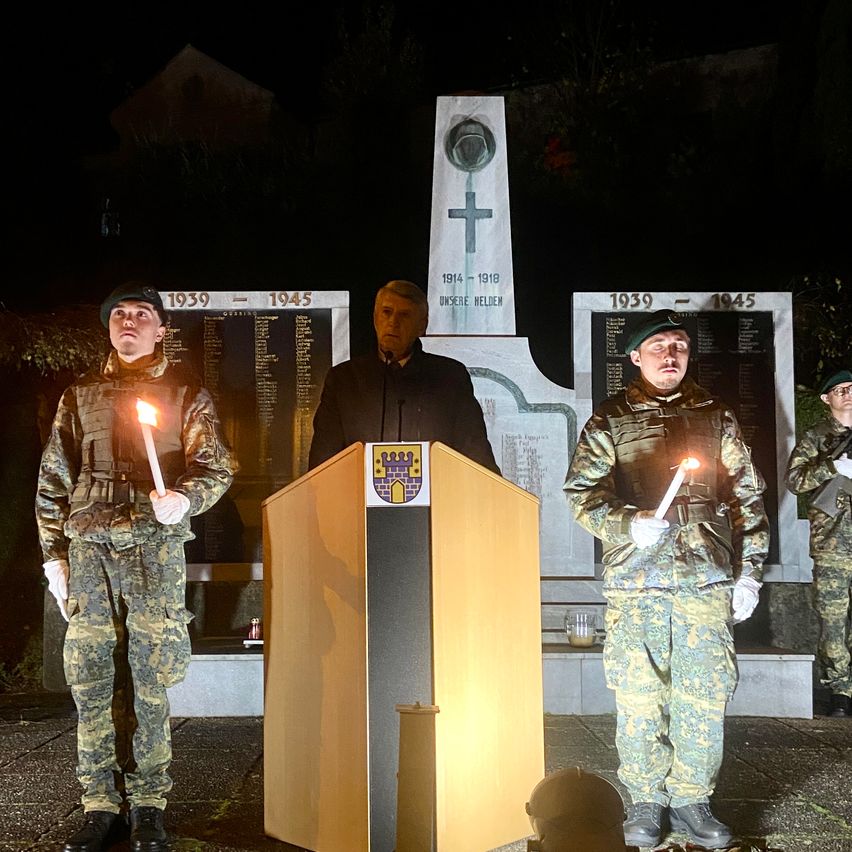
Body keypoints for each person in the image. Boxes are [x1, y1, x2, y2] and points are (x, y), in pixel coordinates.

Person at [36, 281, 238, 852]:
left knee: (151, 677)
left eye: (141, 314)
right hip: (92, 547)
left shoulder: (185, 393)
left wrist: (185, 499)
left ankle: (150, 803)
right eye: (119, 314)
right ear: (109, 327)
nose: (129, 322)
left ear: (160, 327)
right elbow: (54, 479)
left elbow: (214, 468)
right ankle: (99, 804)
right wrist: (53, 555)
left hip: (154, 546)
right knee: (91, 676)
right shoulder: (79, 395)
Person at [563, 309, 769, 849]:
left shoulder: (715, 414)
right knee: (638, 692)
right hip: (638, 581)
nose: (671, 356)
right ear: (635, 357)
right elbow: (580, 495)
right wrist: (627, 522)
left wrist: (749, 574)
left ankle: (693, 800)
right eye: (658, 347)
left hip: (704, 578)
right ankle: (647, 799)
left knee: (703, 691)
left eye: (678, 346)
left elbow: (746, 496)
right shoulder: (611, 419)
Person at [308, 279, 499, 474]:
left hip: (440, 502)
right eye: (387, 312)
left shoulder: (450, 378)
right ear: (375, 318)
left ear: (421, 326)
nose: (393, 322)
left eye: (404, 315)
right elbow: (322, 466)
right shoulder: (344, 380)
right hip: (355, 501)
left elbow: (478, 458)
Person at [785, 369, 852, 718]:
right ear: (826, 399)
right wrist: (832, 466)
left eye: (851, 388)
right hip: (833, 543)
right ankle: (841, 690)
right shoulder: (816, 437)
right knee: (834, 619)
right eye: (839, 390)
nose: (847, 393)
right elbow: (795, 480)